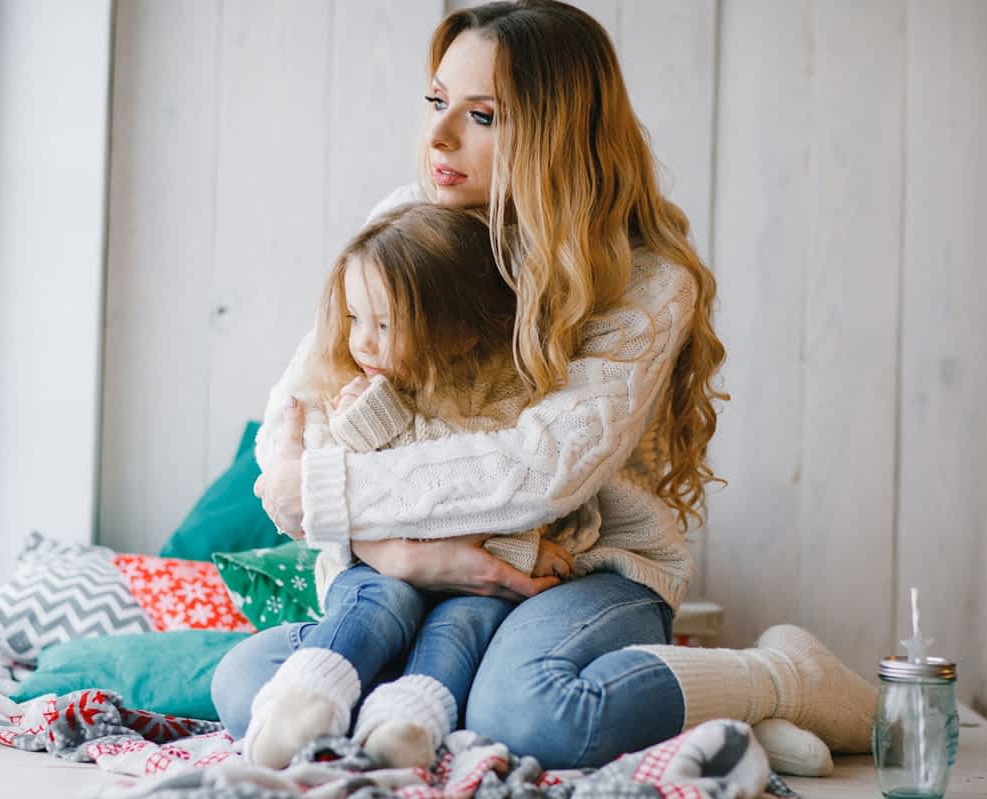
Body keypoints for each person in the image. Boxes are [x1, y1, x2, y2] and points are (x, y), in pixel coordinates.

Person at [215, 0, 875, 775]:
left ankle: (777, 680)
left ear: (557, 132)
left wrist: (327, 496)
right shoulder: (407, 222)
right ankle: (622, 703)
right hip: (415, 573)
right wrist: (405, 553)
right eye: (436, 102)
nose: (438, 136)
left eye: (482, 115)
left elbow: (541, 470)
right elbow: (294, 412)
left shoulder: (647, 283)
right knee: (246, 684)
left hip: (579, 565)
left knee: (530, 712)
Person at [244, 202, 593, 770]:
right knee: (377, 601)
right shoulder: (347, 389)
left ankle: (408, 719)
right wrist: (360, 431)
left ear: (458, 333)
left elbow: (495, 501)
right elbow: (331, 500)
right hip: (371, 574)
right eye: (356, 319)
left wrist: (519, 552)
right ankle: (306, 695)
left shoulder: (499, 402)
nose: (364, 342)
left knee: (464, 622)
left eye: (385, 325)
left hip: (472, 588)